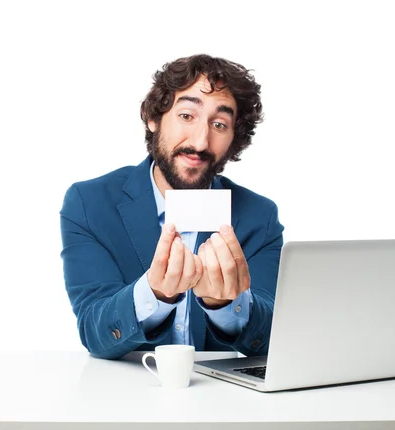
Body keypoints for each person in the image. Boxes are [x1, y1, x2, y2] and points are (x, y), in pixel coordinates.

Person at [60, 54, 284, 360]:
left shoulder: (260, 216)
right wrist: (153, 293)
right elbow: (94, 330)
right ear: (154, 118)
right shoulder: (90, 203)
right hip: (128, 395)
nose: (201, 142)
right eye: (187, 116)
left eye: (219, 124)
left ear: (234, 138)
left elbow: (273, 336)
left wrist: (227, 306)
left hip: (223, 401)